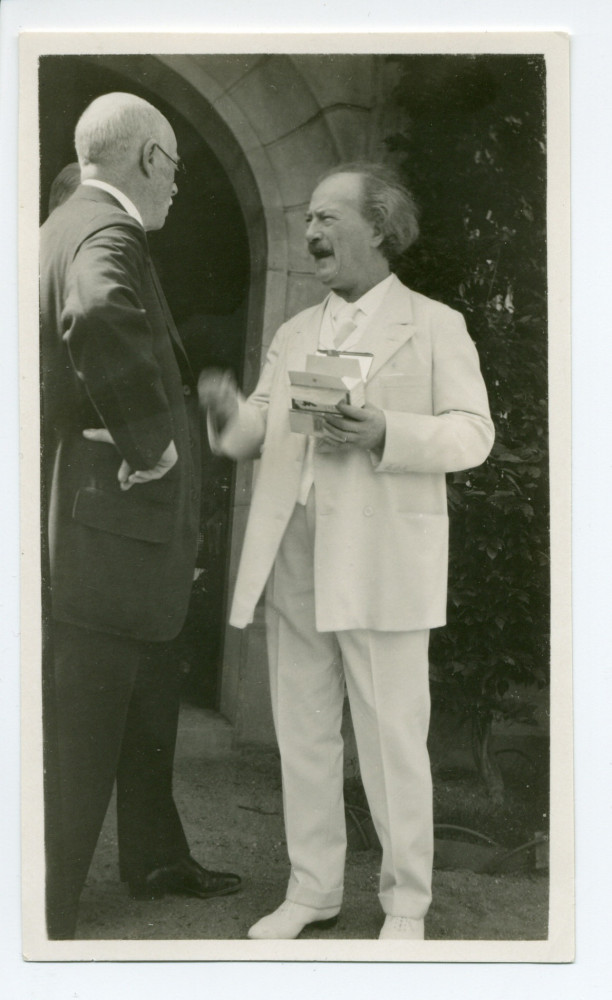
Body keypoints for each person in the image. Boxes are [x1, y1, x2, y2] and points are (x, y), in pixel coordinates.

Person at [199, 163, 494, 940]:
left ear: (380, 228)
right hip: (296, 548)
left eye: (328, 217)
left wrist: (388, 431)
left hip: (383, 558)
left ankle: (406, 904)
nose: (311, 232)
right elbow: (255, 432)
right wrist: (227, 413)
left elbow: (473, 434)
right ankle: (313, 890)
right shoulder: (297, 332)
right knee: (302, 730)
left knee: (392, 737)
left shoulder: (434, 325)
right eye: (308, 219)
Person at [39, 92, 240, 939]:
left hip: (113, 534)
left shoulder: (60, 225)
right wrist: (151, 442)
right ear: (150, 158)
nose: (179, 186)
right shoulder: (106, 232)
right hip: (112, 533)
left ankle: (156, 858)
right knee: (84, 723)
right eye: (177, 168)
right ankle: (42, 910)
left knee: (146, 693)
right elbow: (96, 313)